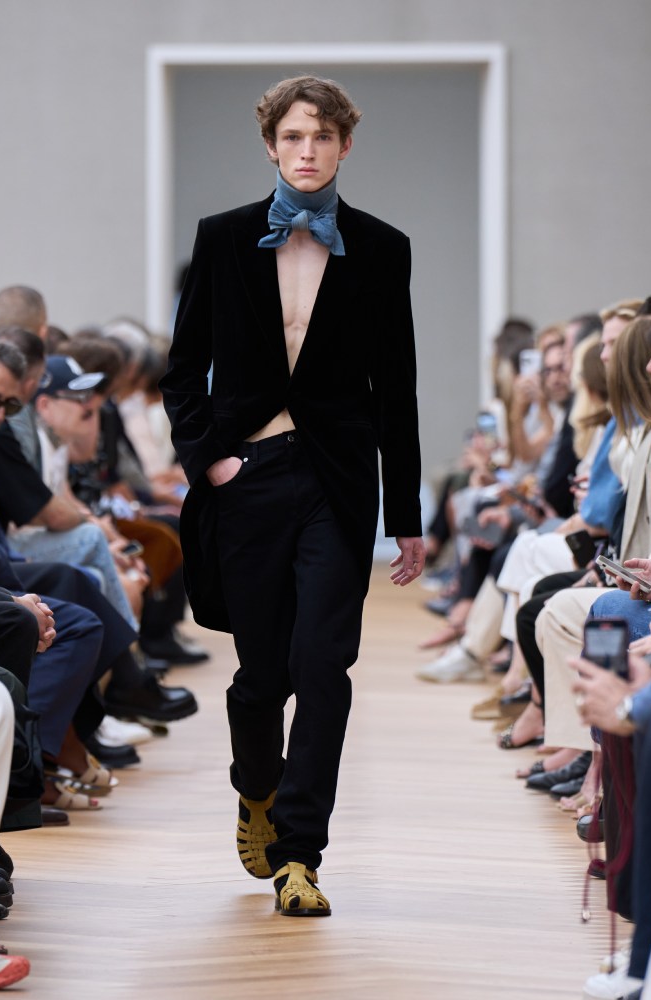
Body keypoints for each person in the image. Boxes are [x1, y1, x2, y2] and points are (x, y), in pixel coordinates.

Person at [160, 75, 424, 917]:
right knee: (261, 676)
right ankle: (256, 788)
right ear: (271, 145)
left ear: (346, 145)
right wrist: (211, 463)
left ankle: (301, 853)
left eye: (322, 137)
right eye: (293, 137)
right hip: (248, 476)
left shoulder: (382, 247)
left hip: (338, 483)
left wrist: (407, 517)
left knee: (324, 666)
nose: (308, 152)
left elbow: (397, 391)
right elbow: (181, 371)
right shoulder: (223, 237)